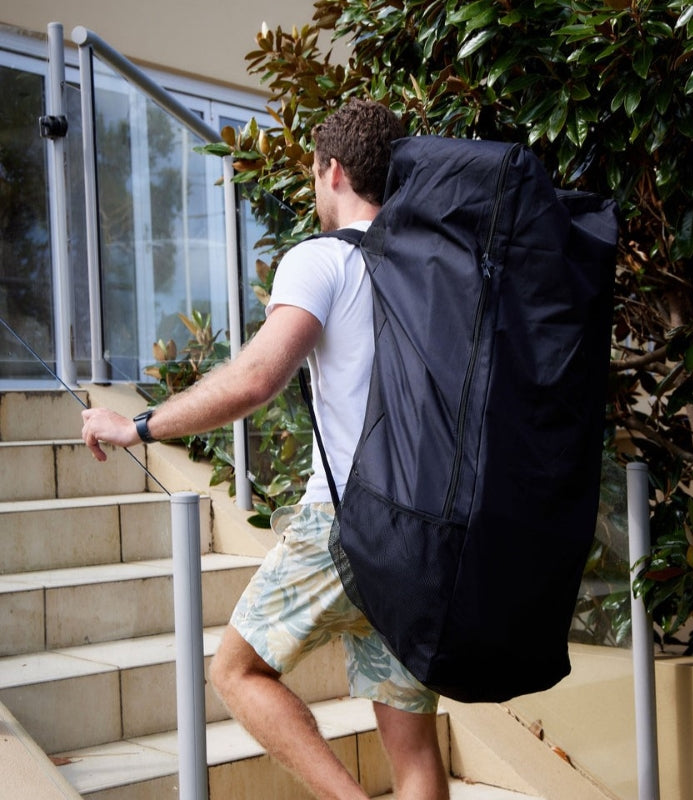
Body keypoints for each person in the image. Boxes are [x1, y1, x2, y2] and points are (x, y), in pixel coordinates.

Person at [81, 99, 449, 800]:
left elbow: (255, 380)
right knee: (413, 743)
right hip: (422, 534)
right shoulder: (430, 269)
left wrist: (138, 426)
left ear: (332, 170)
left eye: (314, 174)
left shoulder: (319, 260)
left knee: (235, 673)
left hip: (344, 524)